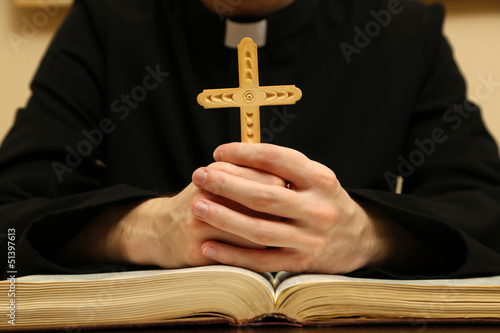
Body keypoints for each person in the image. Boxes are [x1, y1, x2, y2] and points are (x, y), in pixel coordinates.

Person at [1, 0, 499, 279]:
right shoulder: (108, 18)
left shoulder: (399, 22)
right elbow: (8, 221)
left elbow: (487, 211)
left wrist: (370, 235)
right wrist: (145, 229)